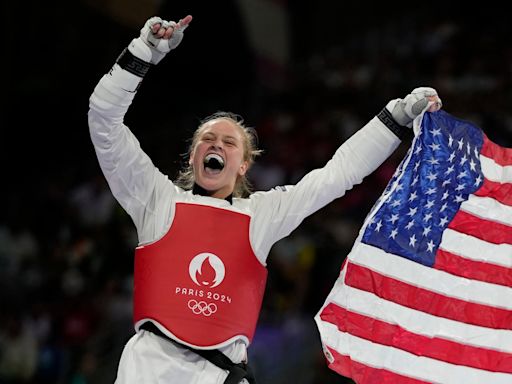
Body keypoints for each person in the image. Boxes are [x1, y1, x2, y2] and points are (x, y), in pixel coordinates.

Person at [88, 14, 442, 384]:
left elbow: (339, 175)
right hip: (148, 370)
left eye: (228, 143)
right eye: (207, 140)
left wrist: (395, 118)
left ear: (242, 165)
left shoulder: (260, 215)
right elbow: (104, 120)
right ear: (193, 157)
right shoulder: (156, 200)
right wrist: (142, 51)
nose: (216, 145)